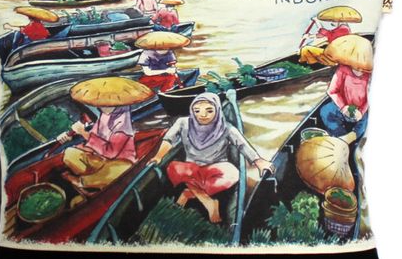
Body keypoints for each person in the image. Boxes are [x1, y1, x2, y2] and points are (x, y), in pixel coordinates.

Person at [148, 93, 274, 223]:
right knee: (174, 168)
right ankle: (208, 202)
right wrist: (158, 156)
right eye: (197, 111)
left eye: (209, 110)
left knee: (234, 174)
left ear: (217, 110)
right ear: (192, 110)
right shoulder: (183, 123)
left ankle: (189, 193)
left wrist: (258, 161)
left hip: (217, 167)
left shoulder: (226, 127)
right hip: (191, 168)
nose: (202, 115)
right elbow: (169, 139)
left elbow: (241, 144)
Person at [54, 77, 153, 199]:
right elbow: (93, 140)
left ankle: (82, 182)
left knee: (122, 170)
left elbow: (110, 152)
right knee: (69, 153)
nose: (99, 106)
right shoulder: (105, 115)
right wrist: (74, 139)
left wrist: (83, 133)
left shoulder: (122, 125)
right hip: (99, 160)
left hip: (118, 162)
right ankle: (94, 183)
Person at [318, 34, 373, 140]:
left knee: (366, 121)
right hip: (343, 107)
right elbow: (332, 91)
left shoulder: (370, 76)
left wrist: (361, 111)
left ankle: (352, 137)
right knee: (325, 111)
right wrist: (343, 106)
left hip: (362, 110)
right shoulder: (343, 70)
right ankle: (340, 136)